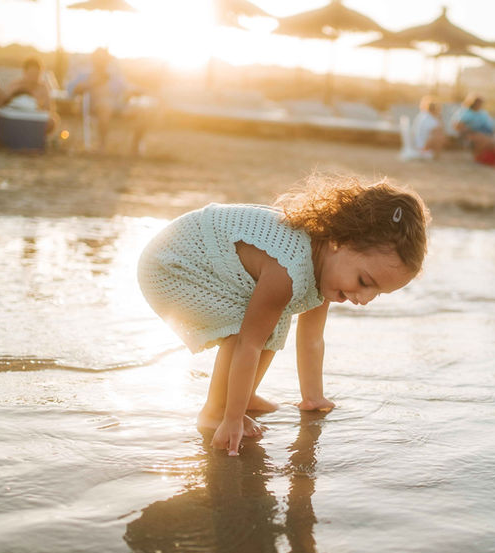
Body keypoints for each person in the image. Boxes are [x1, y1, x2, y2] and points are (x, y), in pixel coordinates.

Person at [137, 175, 429, 456]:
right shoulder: (288, 269)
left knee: (275, 321)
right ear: (341, 241)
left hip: (205, 264)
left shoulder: (325, 268)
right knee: (249, 327)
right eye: (365, 282)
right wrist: (233, 420)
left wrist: (313, 398)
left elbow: (312, 337)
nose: (364, 299)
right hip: (173, 266)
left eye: (377, 293)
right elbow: (247, 344)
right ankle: (215, 413)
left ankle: (241, 397)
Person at [68, 48, 151, 153]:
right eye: (99, 59)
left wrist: (138, 91)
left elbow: (126, 88)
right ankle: (102, 145)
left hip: (117, 106)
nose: (102, 62)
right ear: (94, 60)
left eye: (104, 59)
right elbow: (70, 89)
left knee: (141, 111)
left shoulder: (115, 76)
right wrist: (90, 84)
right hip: (95, 106)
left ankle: (135, 146)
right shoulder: (86, 75)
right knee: (105, 106)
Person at [0, 57, 59, 135]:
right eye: (31, 74)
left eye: (37, 74)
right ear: (25, 72)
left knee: (52, 121)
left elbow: (49, 109)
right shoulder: (15, 85)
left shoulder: (43, 88)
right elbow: (3, 104)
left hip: (36, 118)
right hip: (17, 117)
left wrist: (39, 107)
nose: (34, 77)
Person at [452, 93, 495, 166]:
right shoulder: (465, 112)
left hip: (484, 133)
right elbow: (457, 126)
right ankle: (477, 158)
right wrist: (470, 131)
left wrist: (492, 133)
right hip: (468, 134)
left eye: (481, 103)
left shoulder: (483, 113)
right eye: (478, 103)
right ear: (472, 103)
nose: (480, 104)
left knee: (494, 141)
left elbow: (490, 126)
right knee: (483, 139)